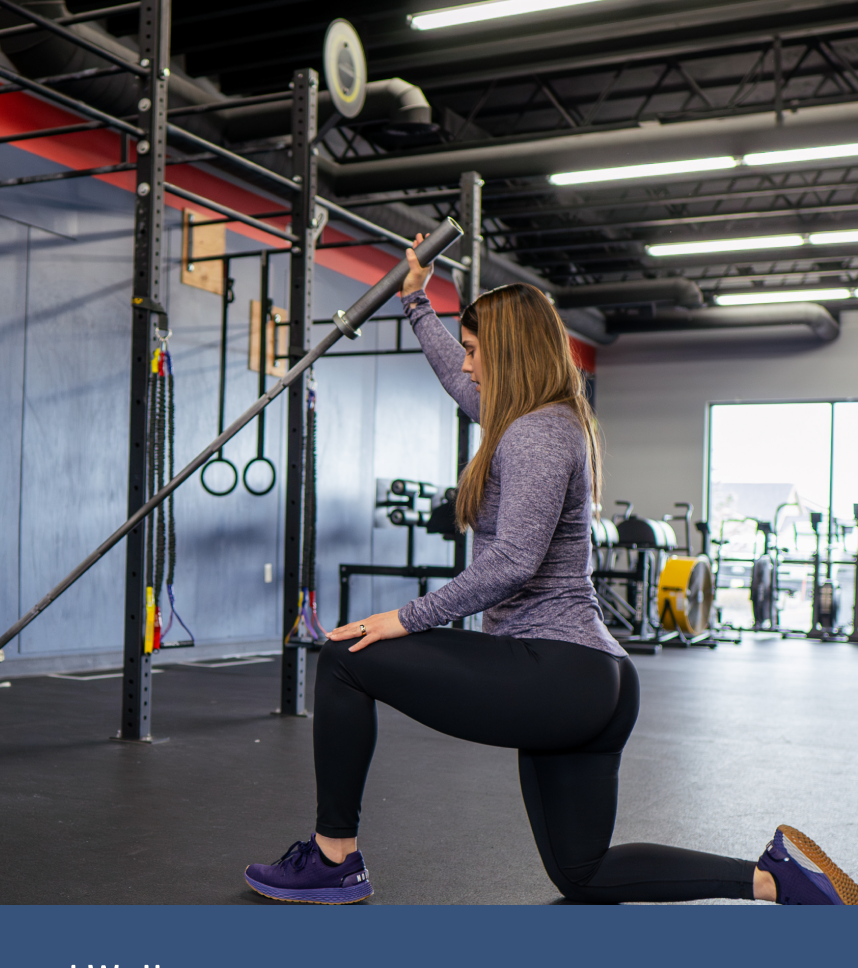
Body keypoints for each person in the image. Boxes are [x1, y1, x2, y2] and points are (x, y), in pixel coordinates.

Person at [243, 247, 855, 909]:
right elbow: (457, 379)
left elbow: (514, 563)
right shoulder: (532, 419)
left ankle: (334, 858)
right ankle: (773, 879)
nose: (468, 361)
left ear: (506, 353)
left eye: (477, 349)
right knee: (582, 874)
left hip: (557, 669)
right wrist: (417, 302)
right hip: (589, 680)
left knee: (344, 657)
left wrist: (404, 617)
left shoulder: (536, 433)